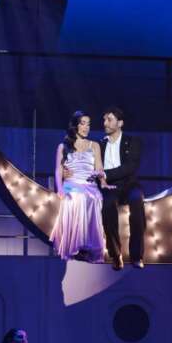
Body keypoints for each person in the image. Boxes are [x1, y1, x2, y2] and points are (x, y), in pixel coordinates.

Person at [50, 110, 107, 262]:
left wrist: (98, 174)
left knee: (93, 197)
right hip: (72, 184)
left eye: (88, 124)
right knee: (76, 197)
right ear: (75, 125)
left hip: (89, 184)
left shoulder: (95, 145)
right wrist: (60, 188)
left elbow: (99, 167)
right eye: (83, 123)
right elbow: (58, 169)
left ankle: (89, 246)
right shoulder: (63, 146)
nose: (86, 127)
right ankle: (76, 246)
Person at [99, 106, 145, 269]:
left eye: (109, 119)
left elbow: (130, 167)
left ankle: (136, 255)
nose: (105, 123)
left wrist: (106, 174)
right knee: (107, 206)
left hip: (129, 184)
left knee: (137, 201)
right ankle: (115, 254)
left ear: (120, 123)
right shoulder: (99, 145)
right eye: (104, 119)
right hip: (109, 186)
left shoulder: (133, 142)